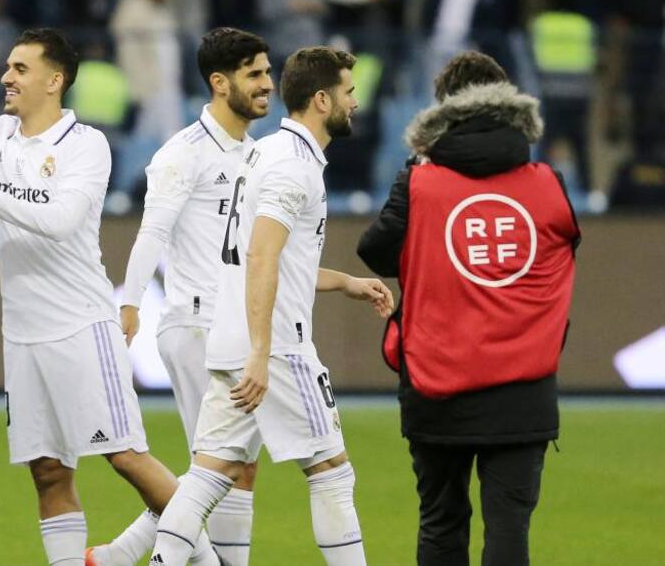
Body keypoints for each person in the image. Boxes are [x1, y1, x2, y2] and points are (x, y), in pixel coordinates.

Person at [0, 28, 220, 566]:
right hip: (23, 335)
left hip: (81, 326)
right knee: (48, 471)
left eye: (20, 68)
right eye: (8, 66)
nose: (6, 76)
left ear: (54, 80)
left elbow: (59, 221)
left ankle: (205, 560)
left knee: (125, 456)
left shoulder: (86, 144)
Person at [148, 47, 394, 566]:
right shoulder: (293, 166)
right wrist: (261, 351)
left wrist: (345, 283)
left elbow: (263, 258)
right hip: (277, 346)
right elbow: (261, 255)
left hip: (231, 338)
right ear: (322, 100)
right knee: (332, 472)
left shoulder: (263, 153)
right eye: (348, 92)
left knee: (208, 475)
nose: (355, 102)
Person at [356, 51, 580, 566]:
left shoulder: (419, 183)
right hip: (523, 389)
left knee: (441, 522)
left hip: (437, 384)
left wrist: (417, 181)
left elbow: (377, 252)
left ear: (444, 110)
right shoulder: (548, 183)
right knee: (510, 529)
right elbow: (564, 246)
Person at [92, 27, 271, 566]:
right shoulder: (183, 152)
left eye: (267, 72)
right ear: (220, 82)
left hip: (233, 327)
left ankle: (117, 555)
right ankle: (133, 555)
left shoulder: (257, 154)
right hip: (197, 324)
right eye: (254, 74)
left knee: (226, 466)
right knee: (221, 465)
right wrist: (130, 303)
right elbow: (154, 230)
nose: (268, 84)